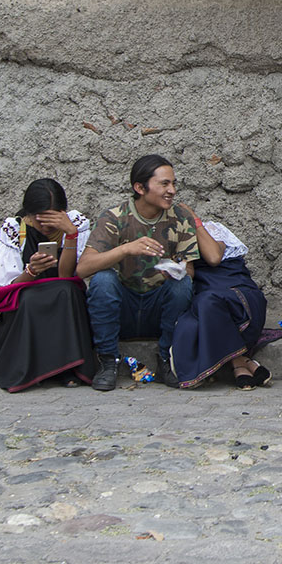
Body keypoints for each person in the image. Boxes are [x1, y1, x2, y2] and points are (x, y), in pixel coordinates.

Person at [77, 154, 200, 392]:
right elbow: (83, 268)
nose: (172, 190)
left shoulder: (181, 218)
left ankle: (166, 358)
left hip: (159, 308)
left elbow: (190, 270)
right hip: (123, 308)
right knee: (103, 280)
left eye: (173, 184)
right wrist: (125, 249)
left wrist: (175, 272)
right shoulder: (114, 217)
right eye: (164, 184)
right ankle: (108, 361)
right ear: (140, 188)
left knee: (183, 283)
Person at [0, 179, 96, 392]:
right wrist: (31, 271)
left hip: (63, 294)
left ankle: (67, 369)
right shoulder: (15, 230)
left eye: (52, 220)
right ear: (30, 215)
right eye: (41, 221)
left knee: (66, 291)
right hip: (24, 297)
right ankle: (31, 369)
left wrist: (70, 235)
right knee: (32, 299)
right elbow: (7, 289)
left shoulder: (76, 225)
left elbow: (66, 276)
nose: (47, 228)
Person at [168, 220, 272, 389]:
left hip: (235, 287)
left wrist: (193, 220)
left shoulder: (208, 228)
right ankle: (241, 361)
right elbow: (188, 274)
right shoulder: (169, 238)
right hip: (207, 292)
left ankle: (238, 363)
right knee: (197, 315)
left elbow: (214, 257)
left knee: (208, 303)